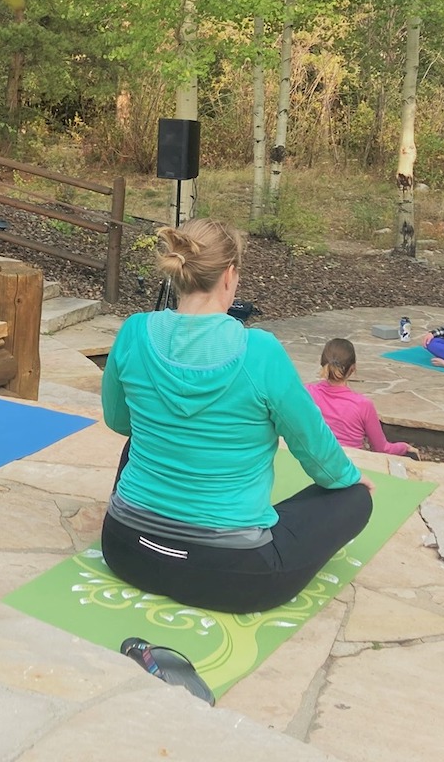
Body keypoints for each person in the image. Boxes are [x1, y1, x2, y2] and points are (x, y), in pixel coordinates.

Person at [100, 218, 373, 615]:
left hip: (126, 548)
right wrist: (349, 480)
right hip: (232, 576)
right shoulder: (259, 350)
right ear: (229, 276)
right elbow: (312, 446)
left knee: (140, 438)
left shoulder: (134, 331)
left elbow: (119, 421)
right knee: (355, 499)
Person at [308, 338, 416, 458]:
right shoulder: (362, 405)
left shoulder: (307, 392)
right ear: (353, 368)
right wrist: (404, 447)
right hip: (348, 466)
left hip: (314, 460)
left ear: (323, 365)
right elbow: (382, 449)